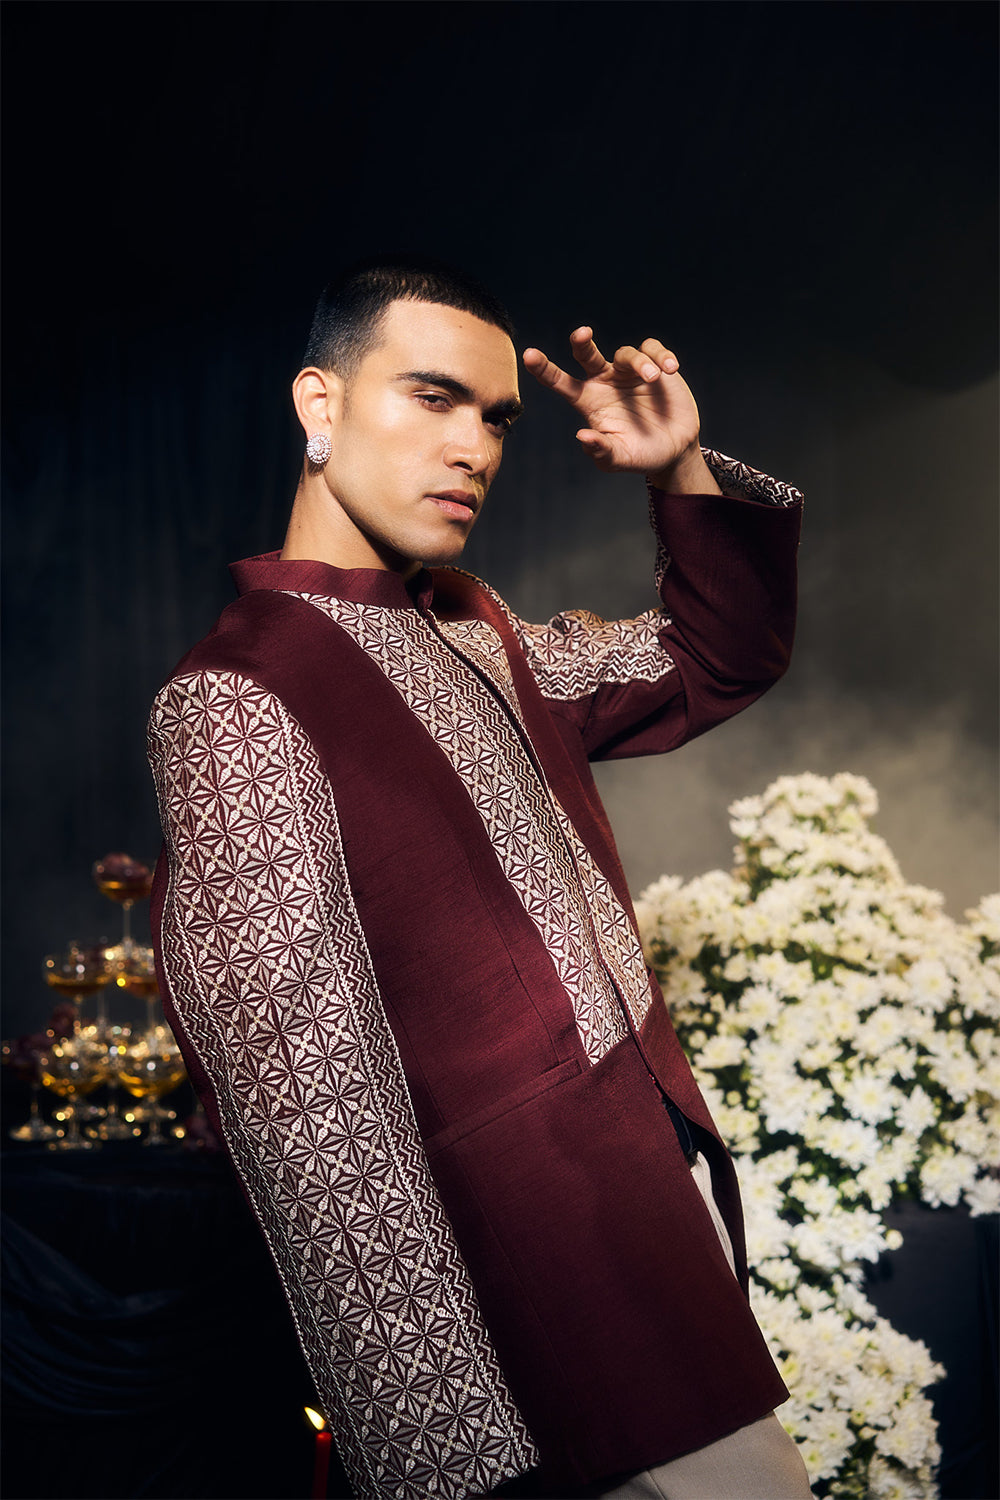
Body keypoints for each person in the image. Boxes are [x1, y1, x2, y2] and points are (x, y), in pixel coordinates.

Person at [147, 260, 811, 1500]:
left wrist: (676, 469)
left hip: (650, 1203)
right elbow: (310, 1117)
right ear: (320, 404)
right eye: (433, 397)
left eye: (497, 418)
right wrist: (441, 1447)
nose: (475, 449)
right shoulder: (237, 696)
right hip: (525, 1280)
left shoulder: (477, 628)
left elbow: (714, 654)